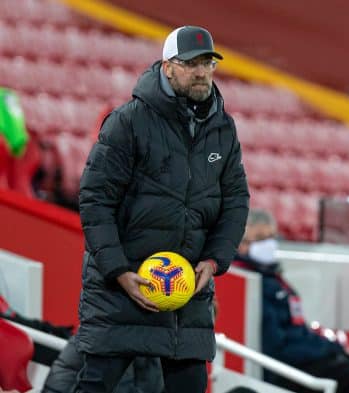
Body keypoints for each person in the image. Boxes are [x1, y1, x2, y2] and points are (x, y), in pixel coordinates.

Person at [74, 25, 249, 393]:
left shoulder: (223, 129)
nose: (202, 72)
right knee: (95, 386)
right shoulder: (127, 121)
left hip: (184, 291)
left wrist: (215, 260)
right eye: (191, 64)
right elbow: (95, 199)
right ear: (167, 67)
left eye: (208, 63)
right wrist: (119, 271)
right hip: (122, 287)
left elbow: (235, 201)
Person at [234, 209, 349, 393]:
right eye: (260, 238)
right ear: (241, 244)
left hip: (303, 357)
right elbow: (277, 347)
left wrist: (333, 348)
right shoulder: (252, 283)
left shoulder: (273, 278)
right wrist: (329, 350)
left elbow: (298, 330)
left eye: (272, 236)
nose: (269, 243)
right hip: (283, 368)